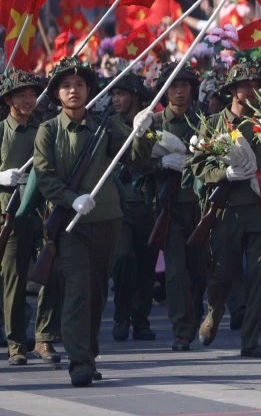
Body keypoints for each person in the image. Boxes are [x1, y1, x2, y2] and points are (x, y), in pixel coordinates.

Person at [33, 57, 154, 386]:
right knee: (77, 291)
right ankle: (79, 362)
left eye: (80, 85)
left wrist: (141, 133)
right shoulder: (48, 130)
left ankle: (88, 350)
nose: (74, 90)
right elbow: (44, 177)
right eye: (67, 86)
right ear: (58, 93)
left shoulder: (105, 126)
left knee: (99, 291)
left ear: (89, 91)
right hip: (69, 224)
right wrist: (72, 199)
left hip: (106, 220)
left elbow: (134, 159)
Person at [191, 60, 261, 359]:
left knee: (260, 274)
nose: (252, 91)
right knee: (221, 274)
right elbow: (198, 165)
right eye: (245, 86)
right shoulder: (214, 123)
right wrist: (222, 174)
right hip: (225, 210)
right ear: (232, 91)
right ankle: (214, 312)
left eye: (256, 86)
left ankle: (250, 339)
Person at [141, 63, 206, 351]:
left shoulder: (204, 120)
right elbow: (134, 164)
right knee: (176, 270)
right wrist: (159, 163)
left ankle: (194, 315)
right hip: (169, 206)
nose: (179, 92)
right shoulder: (154, 124)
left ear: (192, 89)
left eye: (184, 86)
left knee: (200, 270)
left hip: (201, 206)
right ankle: (182, 329)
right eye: (173, 86)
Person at [0, 69, 60, 366]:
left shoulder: (45, 131)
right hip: (10, 212)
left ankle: (44, 338)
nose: (28, 99)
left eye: (32, 94)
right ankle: (15, 343)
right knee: (14, 278)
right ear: (8, 98)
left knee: (49, 273)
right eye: (21, 94)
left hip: (43, 211)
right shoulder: (1, 131)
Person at [110, 72, 159, 342]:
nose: (117, 99)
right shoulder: (107, 126)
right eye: (114, 94)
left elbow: (152, 159)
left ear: (136, 97)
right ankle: (121, 316)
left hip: (148, 204)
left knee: (145, 264)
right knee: (123, 258)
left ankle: (141, 320)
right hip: (120, 205)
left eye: (122, 93)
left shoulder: (151, 124)